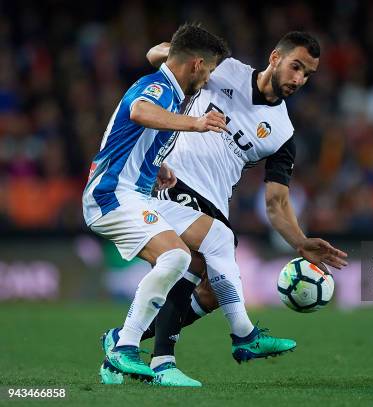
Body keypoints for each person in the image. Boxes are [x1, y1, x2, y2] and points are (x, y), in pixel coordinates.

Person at [100, 31, 349, 386]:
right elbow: (159, 55)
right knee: (207, 253)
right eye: (295, 67)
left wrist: (299, 241)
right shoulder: (225, 70)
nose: (298, 79)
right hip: (175, 178)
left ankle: (124, 340)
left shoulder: (282, 134)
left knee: (212, 290)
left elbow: (276, 202)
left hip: (214, 201)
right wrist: (169, 56)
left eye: (307, 74)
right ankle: (166, 360)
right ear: (275, 58)